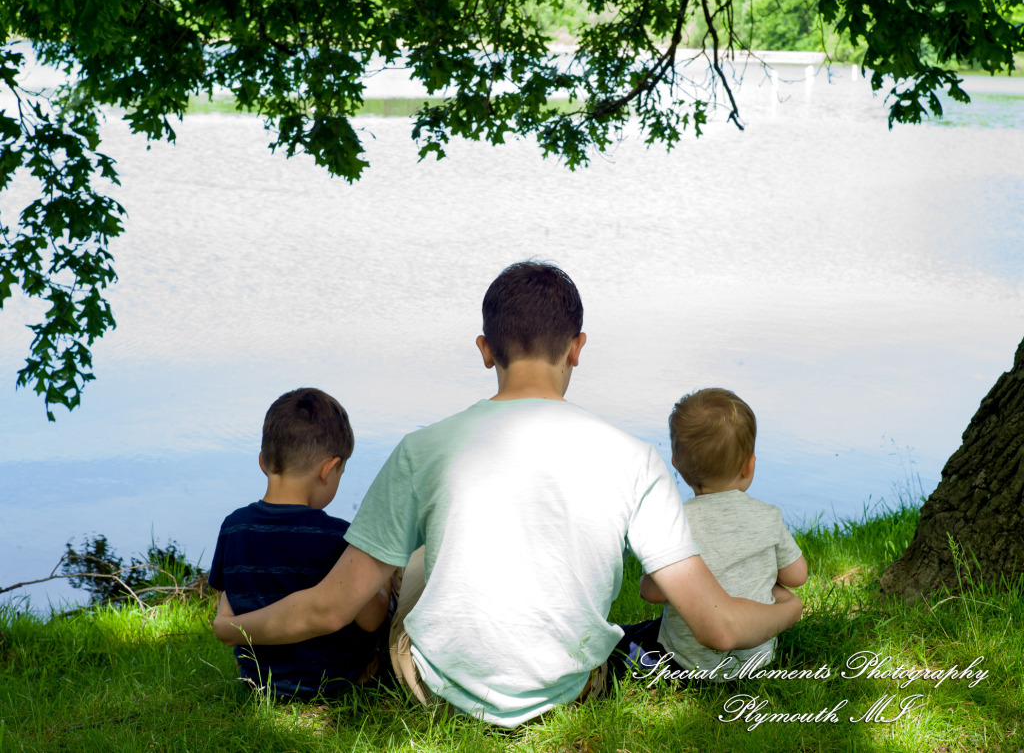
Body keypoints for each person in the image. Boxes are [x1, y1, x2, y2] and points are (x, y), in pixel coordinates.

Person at [214, 262, 803, 726]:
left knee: (414, 557)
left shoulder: (424, 449)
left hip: (438, 694)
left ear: (485, 349)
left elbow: (328, 608)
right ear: (577, 347)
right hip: (569, 694)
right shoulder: (634, 459)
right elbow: (718, 628)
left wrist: (235, 627)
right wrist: (789, 607)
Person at [209, 387, 392, 700]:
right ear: (327, 470)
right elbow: (371, 618)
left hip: (259, 683)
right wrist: (383, 579)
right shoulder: (337, 537)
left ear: (263, 462)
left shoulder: (233, 527)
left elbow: (230, 596)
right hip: (333, 683)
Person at [623, 388, 808, 682]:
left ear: (678, 466)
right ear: (749, 466)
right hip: (757, 658)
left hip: (686, 662)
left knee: (624, 641)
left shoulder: (676, 521)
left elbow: (652, 593)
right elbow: (797, 576)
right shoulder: (768, 516)